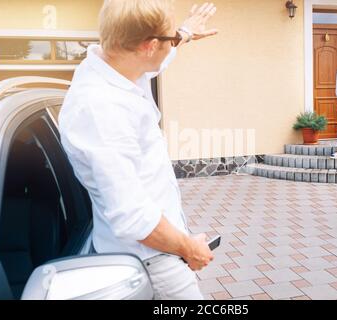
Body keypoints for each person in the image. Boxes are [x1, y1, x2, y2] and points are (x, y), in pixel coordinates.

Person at [58, 0, 218, 300]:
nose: (173, 45)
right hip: (154, 260)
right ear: (148, 45)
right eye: (169, 40)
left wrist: (184, 33)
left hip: (157, 248)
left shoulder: (112, 65)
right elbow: (133, 218)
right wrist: (190, 249)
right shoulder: (102, 109)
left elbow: (155, 61)